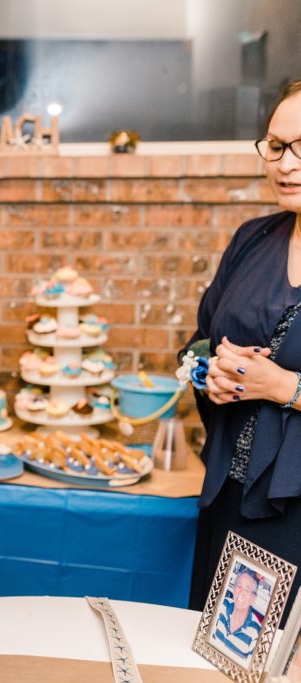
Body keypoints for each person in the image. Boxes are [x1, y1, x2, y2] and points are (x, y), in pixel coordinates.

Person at [184, 80, 301, 624]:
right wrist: (208, 372)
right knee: (215, 649)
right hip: (229, 490)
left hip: (295, 508)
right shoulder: (253, 239)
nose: (286, 163)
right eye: (276, 146)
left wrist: (284, 387)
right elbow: (197, 344)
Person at [211, 566, 263, 662]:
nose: (241, 593)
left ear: (253, 599)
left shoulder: (256, 633)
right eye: (239, 586)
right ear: (234, 589)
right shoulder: (222, 605)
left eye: (247, 590)